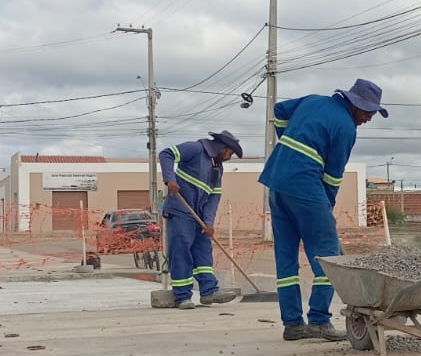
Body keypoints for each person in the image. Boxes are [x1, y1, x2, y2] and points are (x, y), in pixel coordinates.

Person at [259, 79, 387, 341]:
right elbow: (332, 176)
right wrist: (326, 205)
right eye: (368, 112)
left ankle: (293, 324)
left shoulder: (313, 100)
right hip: (306, 188)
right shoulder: (345, 128)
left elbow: (280, 110)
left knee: (286, 259)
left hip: (277, 184)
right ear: (355, 104)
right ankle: (318, 319)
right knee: (329, 258)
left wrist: (288, 144)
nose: (369, 119)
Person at [160, 130, 243, 309]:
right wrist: (169, 179)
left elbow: (214, 197)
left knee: (203, 251)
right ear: (221, 147)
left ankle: (209, 291)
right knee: (181, 250)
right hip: (180, 211)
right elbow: (166, 153)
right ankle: (182, 296)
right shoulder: (195, 149)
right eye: (229, 153)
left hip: (199, 217)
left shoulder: (217, 169)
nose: (229, 157)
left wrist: (209, 223)